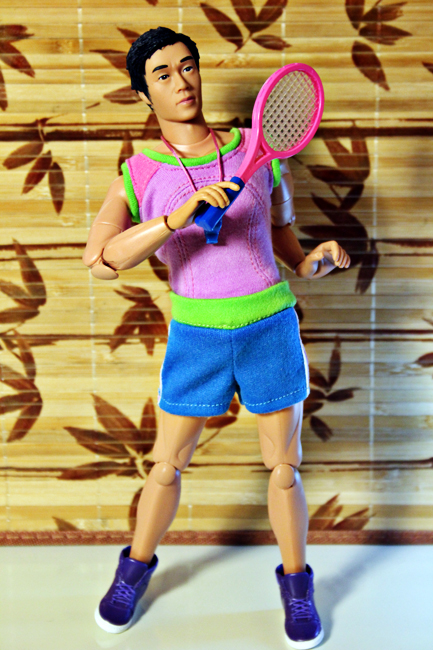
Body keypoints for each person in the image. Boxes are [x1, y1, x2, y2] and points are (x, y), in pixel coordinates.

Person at [83, 26, 350, 649]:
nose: (181, 82)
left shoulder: (260, 151)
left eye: (188, 66)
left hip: (268, 327)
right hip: (196, 335)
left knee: (284, 468)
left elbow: (286, 248)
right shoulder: (137, 174)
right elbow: (101, 260)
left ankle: (297, 585)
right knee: (166, 465)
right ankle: (132, 572)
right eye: (162, 74)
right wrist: (172, 218)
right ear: (143, 94)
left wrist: (317, 261)